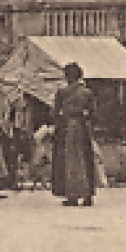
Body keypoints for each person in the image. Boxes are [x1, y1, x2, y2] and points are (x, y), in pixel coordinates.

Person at [51, 63, 98, 207]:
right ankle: (87, 195)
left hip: (67, 127)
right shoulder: (87, 92)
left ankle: (72, 195)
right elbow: (93, 112)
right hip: (83, 127)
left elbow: (54, 112)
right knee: (85, 158)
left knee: (70, 160)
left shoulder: (62, 92)